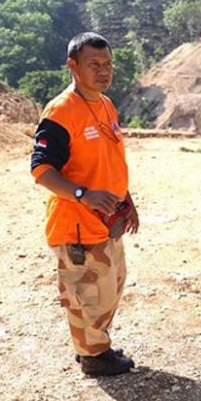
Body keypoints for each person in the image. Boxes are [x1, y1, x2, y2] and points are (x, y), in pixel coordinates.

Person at [30, 32, 139, 376]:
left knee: (110, 285)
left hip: (107, 221)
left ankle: (93, 344)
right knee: (88, 293)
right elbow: (41, 169)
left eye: (108, 64)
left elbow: (110, 158)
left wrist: (127, 200)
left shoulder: (105, 104)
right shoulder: (62, 111)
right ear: (73, 66)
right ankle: (92, 356)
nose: (104, 71)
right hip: (77, 224)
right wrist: (82, 194)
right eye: (94, 64)